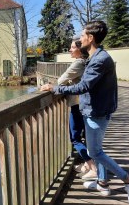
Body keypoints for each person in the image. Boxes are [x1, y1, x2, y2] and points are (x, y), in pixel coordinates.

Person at [40, 21, 129, 204]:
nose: (80, 38)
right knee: (97, 150)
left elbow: (84, 86)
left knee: (95, 153)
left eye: (82, 35)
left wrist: (55, 88)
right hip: (93, 110)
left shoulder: (100, 60)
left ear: (90, 38)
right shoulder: (96, 57)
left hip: (97, 113)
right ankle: (102, 182)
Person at [57, 38, 97, 179]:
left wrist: (66, 82)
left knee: (75, 138)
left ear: (80, 50)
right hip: (86, 104)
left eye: (72, 47)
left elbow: (60, 80)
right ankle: (88, 164)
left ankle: (92, 167)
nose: (70, 50)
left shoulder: (78, 63)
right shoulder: (86, 62)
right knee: (86, 136)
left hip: (78, 105)